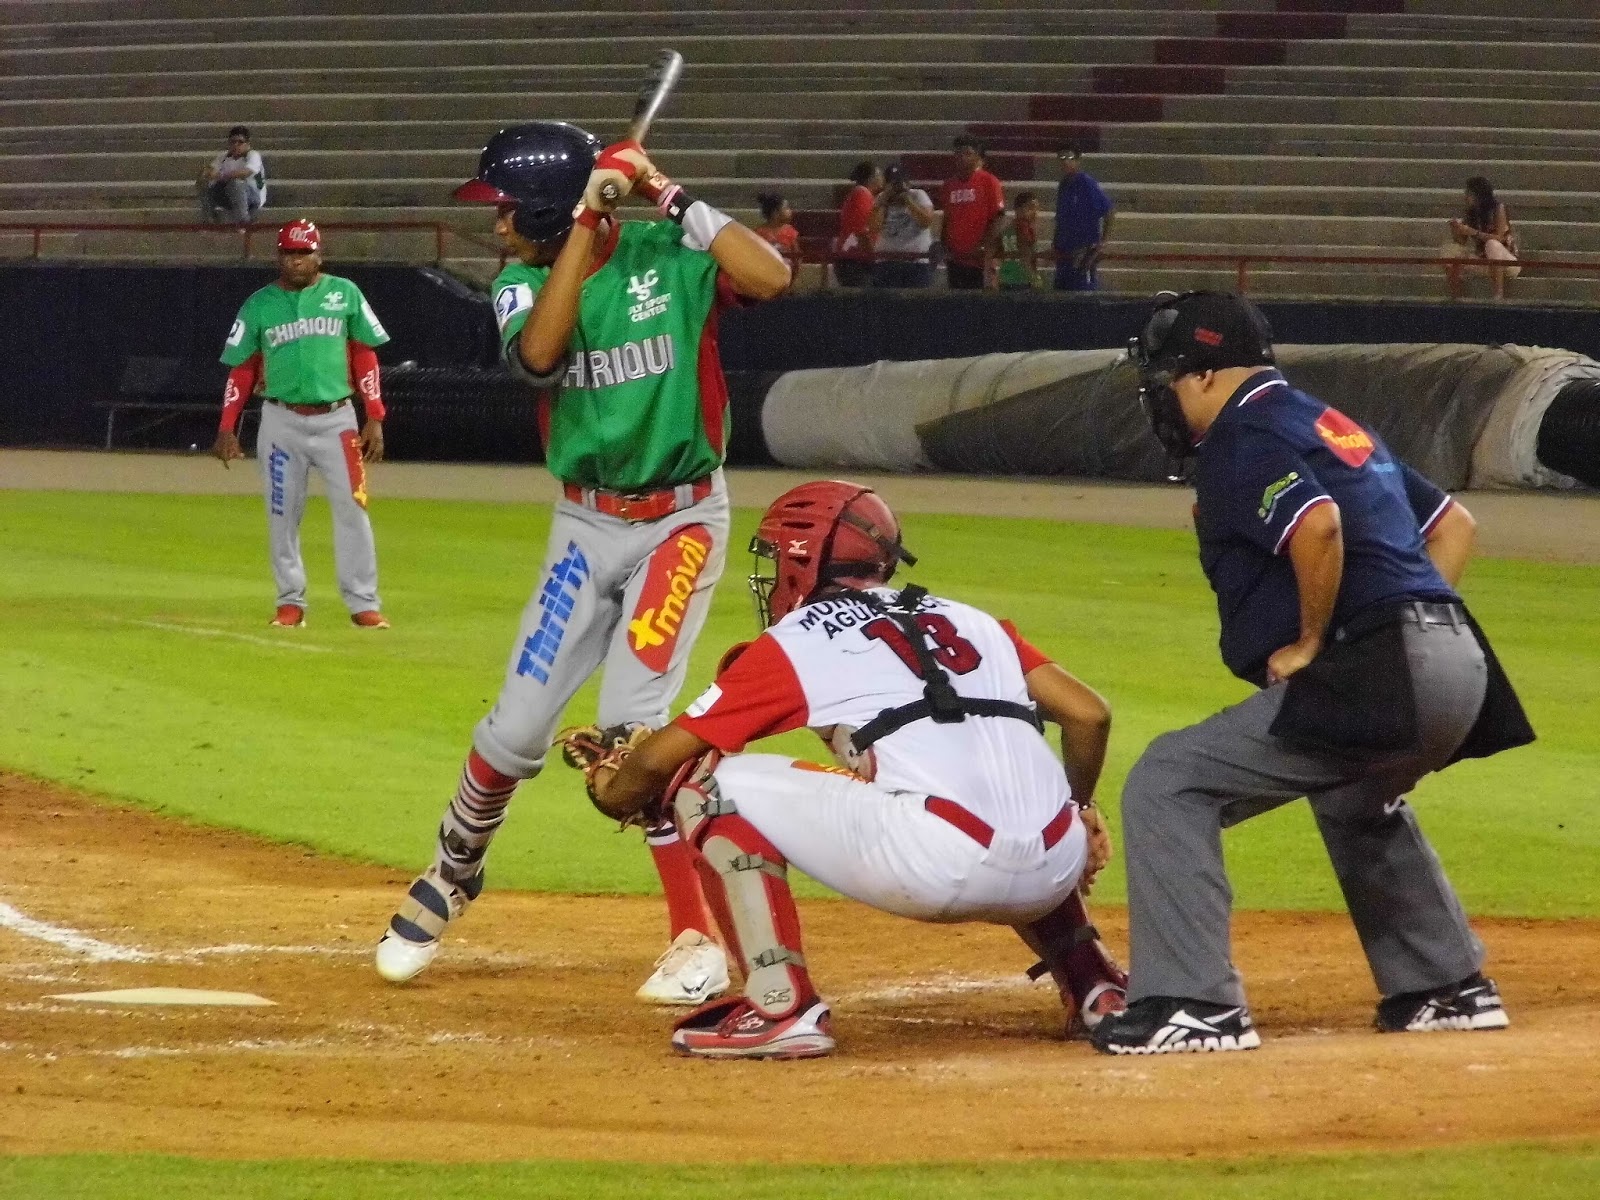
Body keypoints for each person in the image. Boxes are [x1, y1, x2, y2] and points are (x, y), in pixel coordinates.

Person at [373, 122, 792, 1004]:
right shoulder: (522, 284)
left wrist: (659, 190)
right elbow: (541, 355)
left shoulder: (669, 252)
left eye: (502, 213)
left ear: (539, 211)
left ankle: (694, 938)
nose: (494, 230)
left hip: (681, 521)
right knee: (516, 730)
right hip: (584, 523)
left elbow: (774, 276)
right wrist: (585, 227)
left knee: (636, 729)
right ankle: (455, 871)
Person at [1091, 291, 1534, 1056]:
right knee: (1355, 792)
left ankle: (1194, 1005)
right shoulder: (1327, 420)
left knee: (1170, 779)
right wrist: (1414, 618)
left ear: (1200, 375)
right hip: (1459, 659)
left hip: (1390, 663)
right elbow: (1453, 525)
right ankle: (1444, 986)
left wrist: (1312, 641)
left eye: (1164, 379)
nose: (1160, 397)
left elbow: (1316, 523)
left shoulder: (1243, 434)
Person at [586, 481, 1128, 1059]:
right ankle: (1097, 985)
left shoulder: (796, 639)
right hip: (1057, 864)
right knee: (1009, 788)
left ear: (802, 562)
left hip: (937, 866)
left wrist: (613, 790)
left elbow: (655, 762)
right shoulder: (970, 618)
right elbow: (1088, 715)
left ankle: (778, 1006)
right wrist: (1081, 811)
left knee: (711, 786)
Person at [211, 219, 389, 629]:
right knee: (282, 513)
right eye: (290, 253)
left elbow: (365, 355)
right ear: (279, 256)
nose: (297, 260)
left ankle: (363, 602)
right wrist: (227, 425)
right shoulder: (259, 304)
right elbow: (241, 368)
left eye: (304, 252)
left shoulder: (345, 293)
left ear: (319, 254)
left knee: (353, 509)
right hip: (280, 421)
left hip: (338, 419)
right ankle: (290, 601)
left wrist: (374, 415)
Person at [938, 136, 1005, 290]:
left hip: (980, 259)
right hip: (956, 257)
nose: (962, 157)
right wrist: (944, 244)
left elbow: (998, 218)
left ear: (977, 156)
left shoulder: (989, 181)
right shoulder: (949, 185)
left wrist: (985, 246)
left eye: (967, 153)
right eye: (958, 153)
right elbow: (947, 218)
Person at [1442, 175, 1520, 301]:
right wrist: (1456, 230)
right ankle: (1456, 295)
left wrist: (1473, 232)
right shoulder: (1470, 212)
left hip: (1506, 262)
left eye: (1469, 193)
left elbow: (1499, 238)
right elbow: (1461, 242)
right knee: (1450, 250)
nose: (1466, 197)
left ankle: (1498, 295)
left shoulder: (1498, 208)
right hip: (1484, 262)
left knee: (1492, 245)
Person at [1052, 145, 1114, 292]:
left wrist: (1101, 243)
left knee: (1082, 294)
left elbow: (1109, 210)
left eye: (1070, 158)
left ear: (1078, 160)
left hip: (1083, 252)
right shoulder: (1064, 185)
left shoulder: (1086, 183)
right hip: (1064, 251)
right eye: (1062, 158)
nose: (1065, 162)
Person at [870, 164, 936, 289]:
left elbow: (926, 221)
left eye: (899, 183)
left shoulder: (918, 195)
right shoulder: (881, 199)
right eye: (891, 183)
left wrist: (908, 201)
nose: (896, 188)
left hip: (915, 263)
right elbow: (874, 227)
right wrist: (884, 202)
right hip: (887, 263)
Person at [196, 125, 267, 226]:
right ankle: (210, 220)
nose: (236, 145)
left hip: (252, 196)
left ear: (247, 144)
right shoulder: (224, 156)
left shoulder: (252, 155)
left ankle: (243, 221)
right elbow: (210, 169)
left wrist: (220, 175)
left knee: (236, 183)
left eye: (240, 142)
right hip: (230, 195)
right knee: (204, 185)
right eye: (233, 142)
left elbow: (246, 172)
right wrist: (205, 174)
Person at [832, 161, 882, 288]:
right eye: (880, 175)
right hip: (854, 260)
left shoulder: (861, 195)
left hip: (854, 258)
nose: (883, 178)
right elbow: (861, 231)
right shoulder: (861, 195)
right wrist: (873, 258)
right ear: (871, 179)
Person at [993, 191, 1044, 291]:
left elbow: (998, 251)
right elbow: (1025, 255)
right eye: (1030, 208)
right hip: (1021, 280)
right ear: (1018, 210)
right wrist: (1035, 279)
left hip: (1005, 278)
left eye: (1036, 208)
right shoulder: (1024, 229)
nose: (1035, 212)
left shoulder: (1007, 229)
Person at [754, 191, 802, 288]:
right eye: (786, 208)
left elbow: (796, 256)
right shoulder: (759, 233)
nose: (790, 211)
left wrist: (792, 278)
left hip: (785, 276)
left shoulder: (790, 232)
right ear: (775, 213)